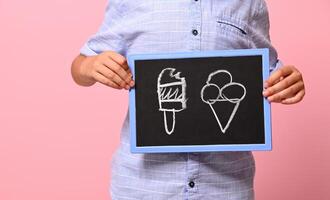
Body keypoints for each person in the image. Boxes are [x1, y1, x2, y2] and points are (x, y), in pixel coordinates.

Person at [71, 0, 305, 199]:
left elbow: (268, 69)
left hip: (225, 186)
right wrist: (90, 66)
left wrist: (287, 82)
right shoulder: (131, 2)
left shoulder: (248, 3)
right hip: (143, 186)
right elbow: (80, 66)